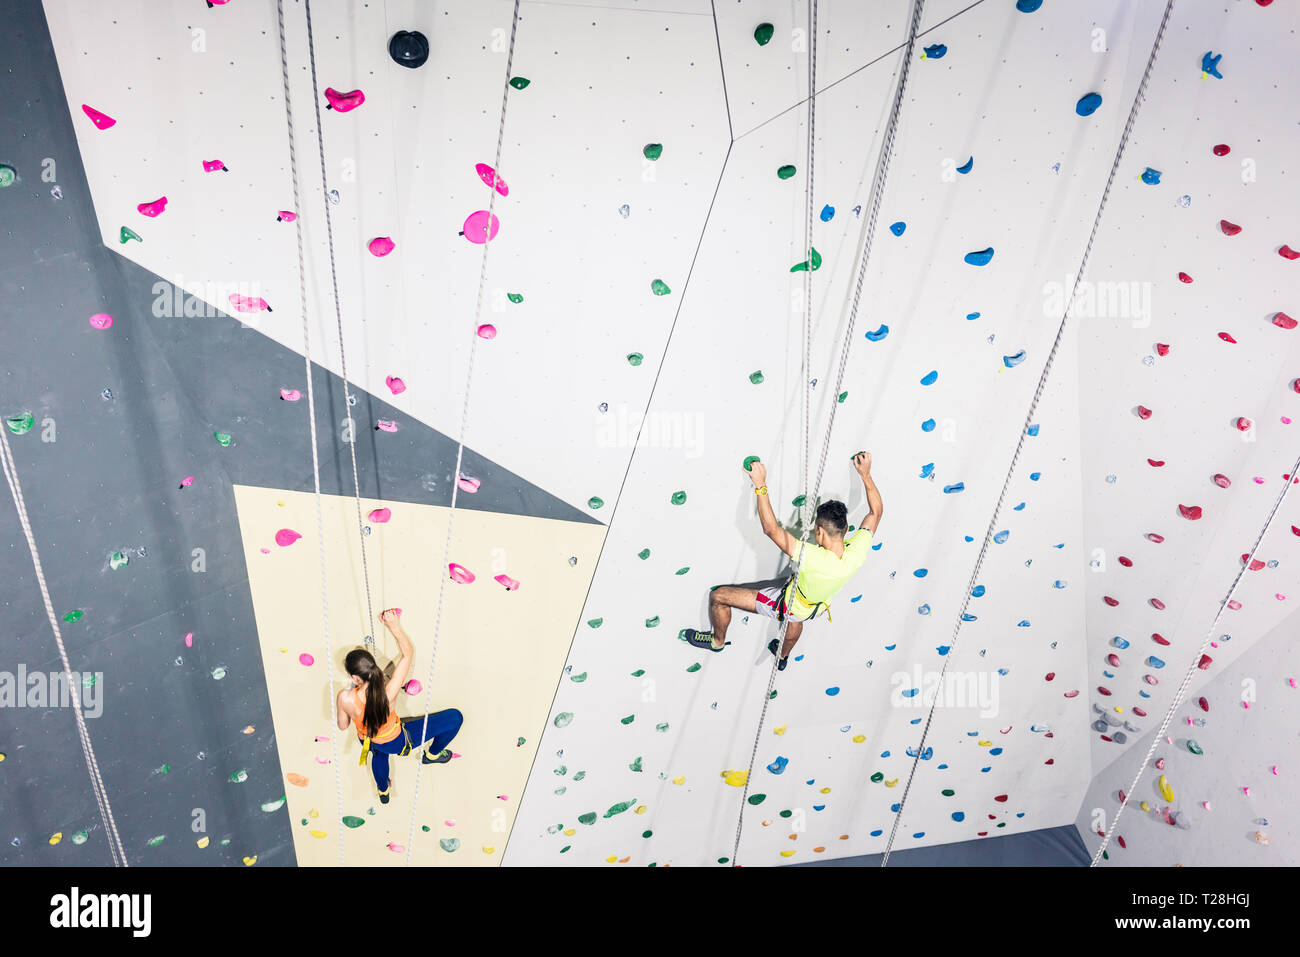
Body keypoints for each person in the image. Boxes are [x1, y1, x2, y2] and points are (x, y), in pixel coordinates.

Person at [683, 451, 882, 670]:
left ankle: (717, 641)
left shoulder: (813, 557)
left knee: (719, 596)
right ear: (845, 528)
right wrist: (866, 475)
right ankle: (783, 656)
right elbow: (876, 513)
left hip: (789, 603)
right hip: (818, 605)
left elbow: (771, 529)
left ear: (820, 533)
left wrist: (760, 485)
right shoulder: (857, 552)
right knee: (797, 618)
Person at [336, 609, 463, 803]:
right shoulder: (388, 693)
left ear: (355, 678)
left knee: (378, 753)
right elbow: (408, 654)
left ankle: (383, 790)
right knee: (455, 717)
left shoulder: (344, 698)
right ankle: (432, 754)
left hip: (367, 739)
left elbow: (343, 725)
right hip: (396, 741)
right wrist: (394, 626)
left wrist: (352, 701)